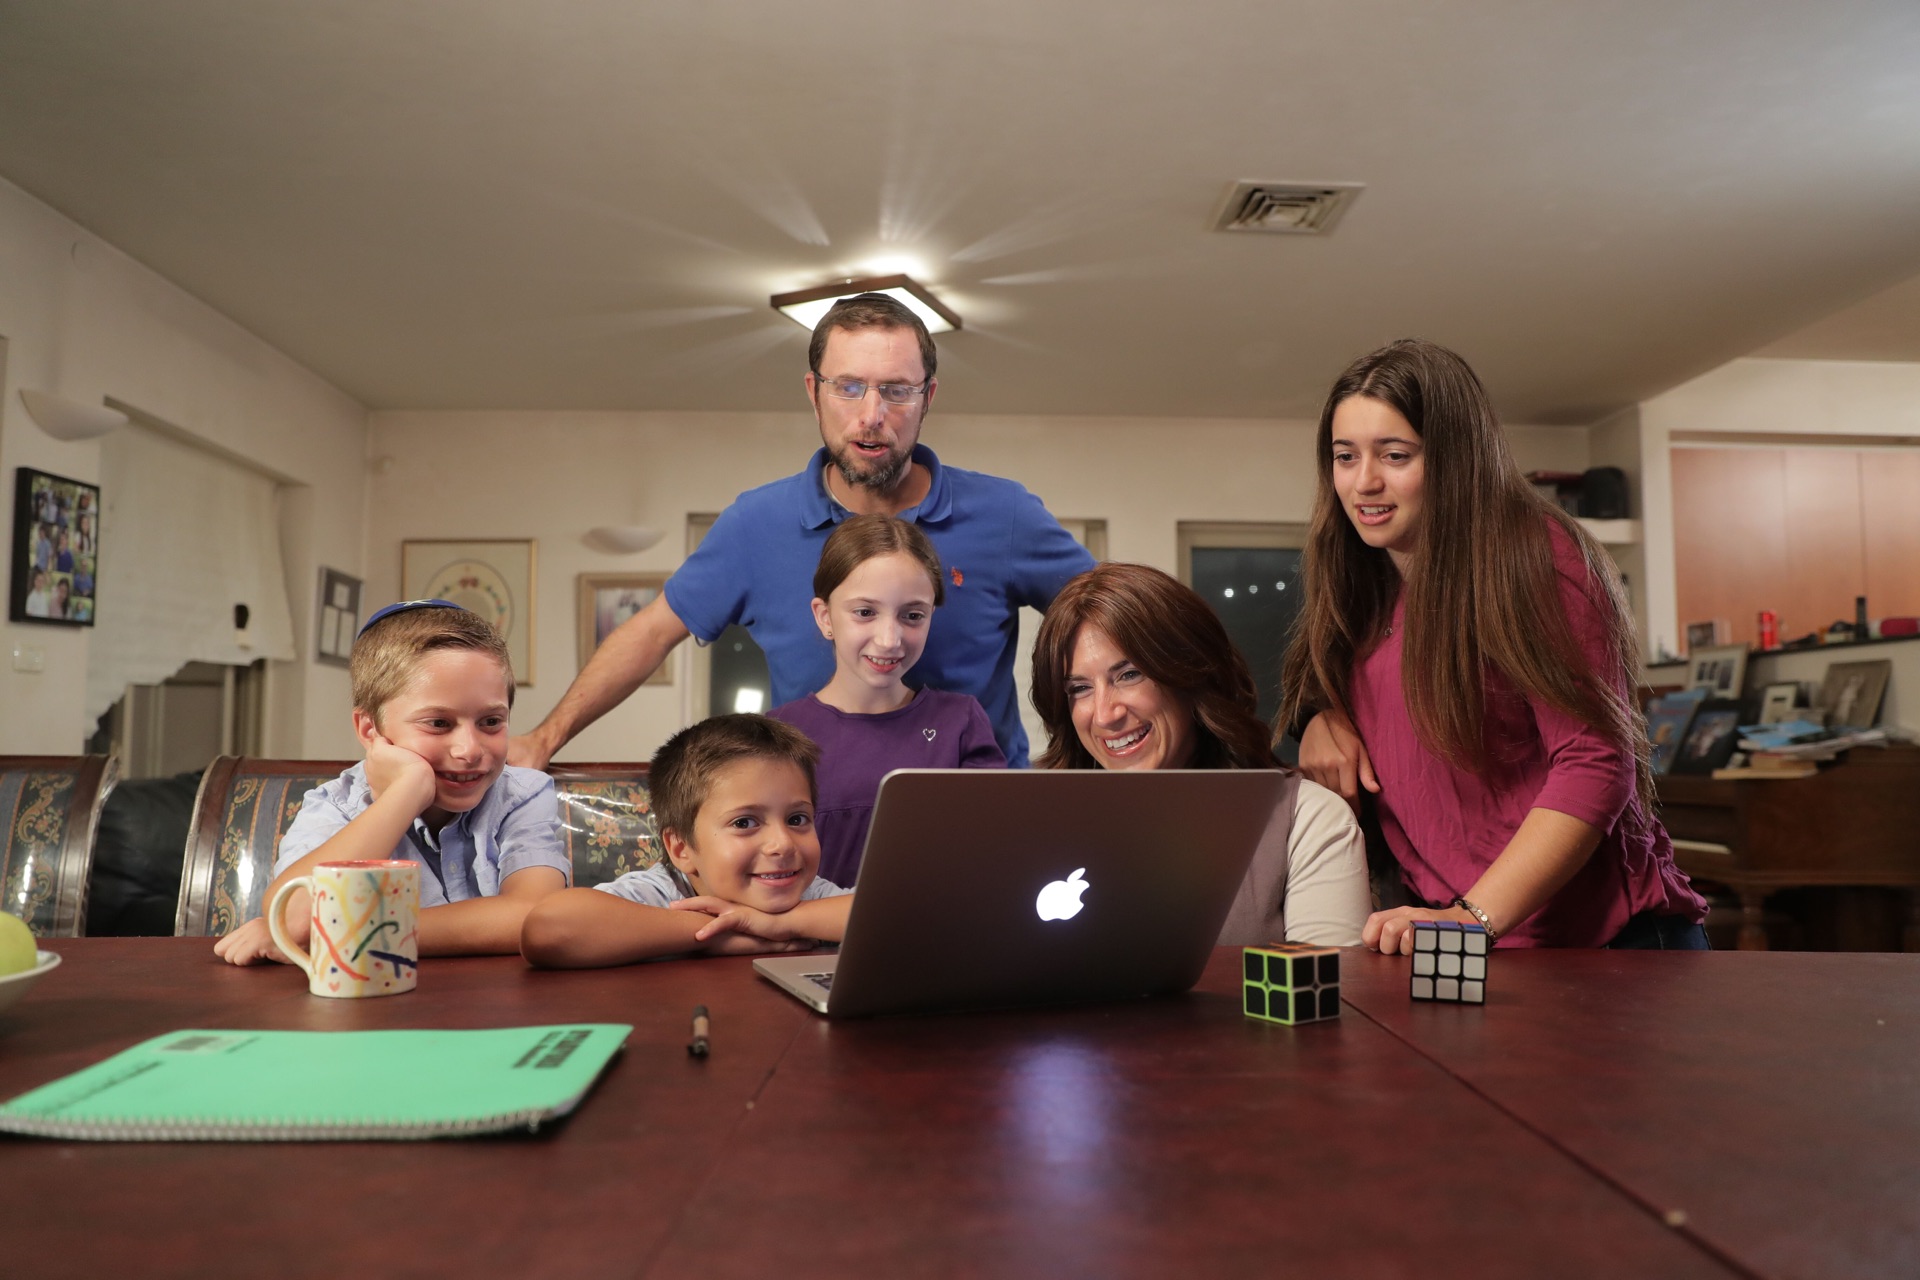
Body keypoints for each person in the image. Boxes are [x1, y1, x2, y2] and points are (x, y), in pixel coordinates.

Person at [509, 292, 1094, 771]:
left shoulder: (1004, 512)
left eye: (896, 390)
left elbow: (1112, 619)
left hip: (976, 815)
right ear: (814, 393)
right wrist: (544, 739)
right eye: (848, 387)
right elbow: (650, 634)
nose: (871, 415)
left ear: (927, 398)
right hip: (811, 819)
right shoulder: (755, 524)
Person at [1281, 338, 1707, 952]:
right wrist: (1320, 715)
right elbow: (1361, 692)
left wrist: (1471, 918)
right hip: (1465, 940)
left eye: (1395, 455)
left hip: (1601, 944)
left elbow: (1594, 764)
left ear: (1456, 459)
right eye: (1344, 457)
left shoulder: (1538, 560)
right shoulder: (1362, 581)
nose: (1364, 482)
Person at [213, 600, 570, 965]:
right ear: (370, 731)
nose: (469, 749)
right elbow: (297, 919)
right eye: (438, 724)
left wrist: (346, 930)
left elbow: (538, 915)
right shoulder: (336, 806)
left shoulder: (522, 794)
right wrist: (405, 793)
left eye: (491, 722)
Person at [1030, 563, 1369, 946]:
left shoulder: (1307, 819)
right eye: (1079, 688)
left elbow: (1327, 995)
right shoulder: (1039, 823)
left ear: (1190, 675)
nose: (1106, 715)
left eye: (1129, 675)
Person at [770, 513, 1003, 885]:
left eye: (912, 615)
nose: (890, 639)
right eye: (865, 612)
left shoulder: (960, 722)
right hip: (806, 940)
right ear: (825, 616)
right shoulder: (774, 734)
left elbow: (990, 853)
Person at [521, 714, 852, 967]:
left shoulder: (806, 896)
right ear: (681, 849)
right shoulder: (663, 894)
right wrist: (713, 936)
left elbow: (901, 918)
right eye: (745, 822)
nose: (782, 844)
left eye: (797, 819)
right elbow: (548, 929)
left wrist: (781, 924)